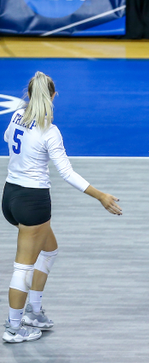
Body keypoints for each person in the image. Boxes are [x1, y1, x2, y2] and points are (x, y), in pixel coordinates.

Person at [2, 72, 122, 343]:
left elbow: (8, 139)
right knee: (22, 268)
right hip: (33, 203)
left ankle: (33, 312)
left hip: (10, 197)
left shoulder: (15, 116)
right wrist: (100, 195)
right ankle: (13, 327)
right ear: (54, 96)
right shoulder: (50, 131)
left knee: (50, 249)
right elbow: (67, 173)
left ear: (28, 95)